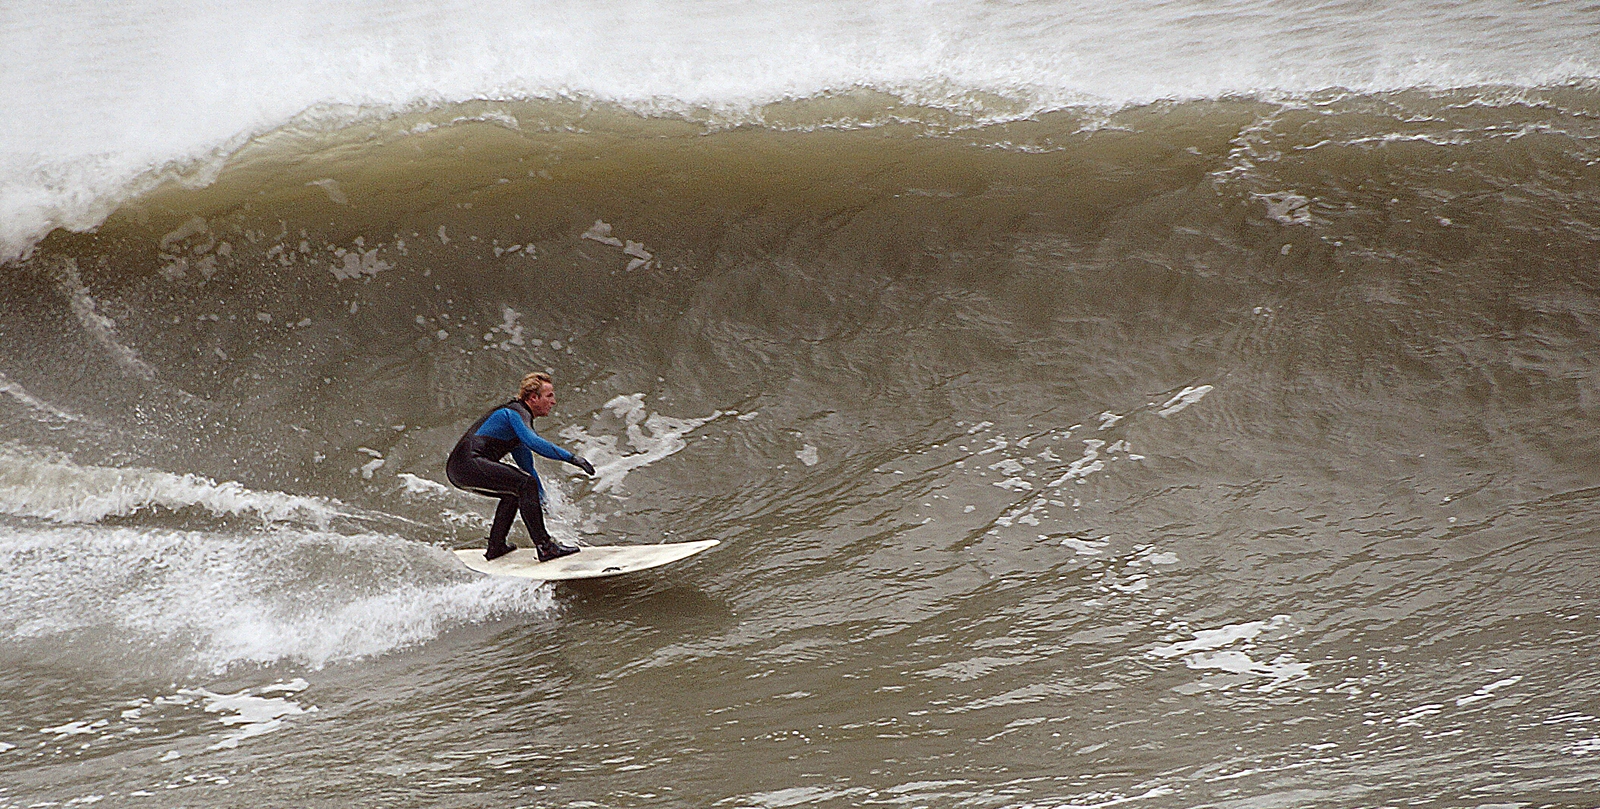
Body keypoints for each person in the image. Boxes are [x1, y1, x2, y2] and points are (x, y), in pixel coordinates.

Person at [446, 372, 596, 561]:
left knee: (515, 491)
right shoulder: (515, 413)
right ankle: (546, 547)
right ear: (533, 398)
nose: (553, 402)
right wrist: (572, 458)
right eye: (549, 396)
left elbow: (528, 470)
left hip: (460, 469)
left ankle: (496, 547)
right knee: (523, 484)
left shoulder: (516, 427)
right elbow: (533, 442)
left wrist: (542, 501)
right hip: (467, 464)